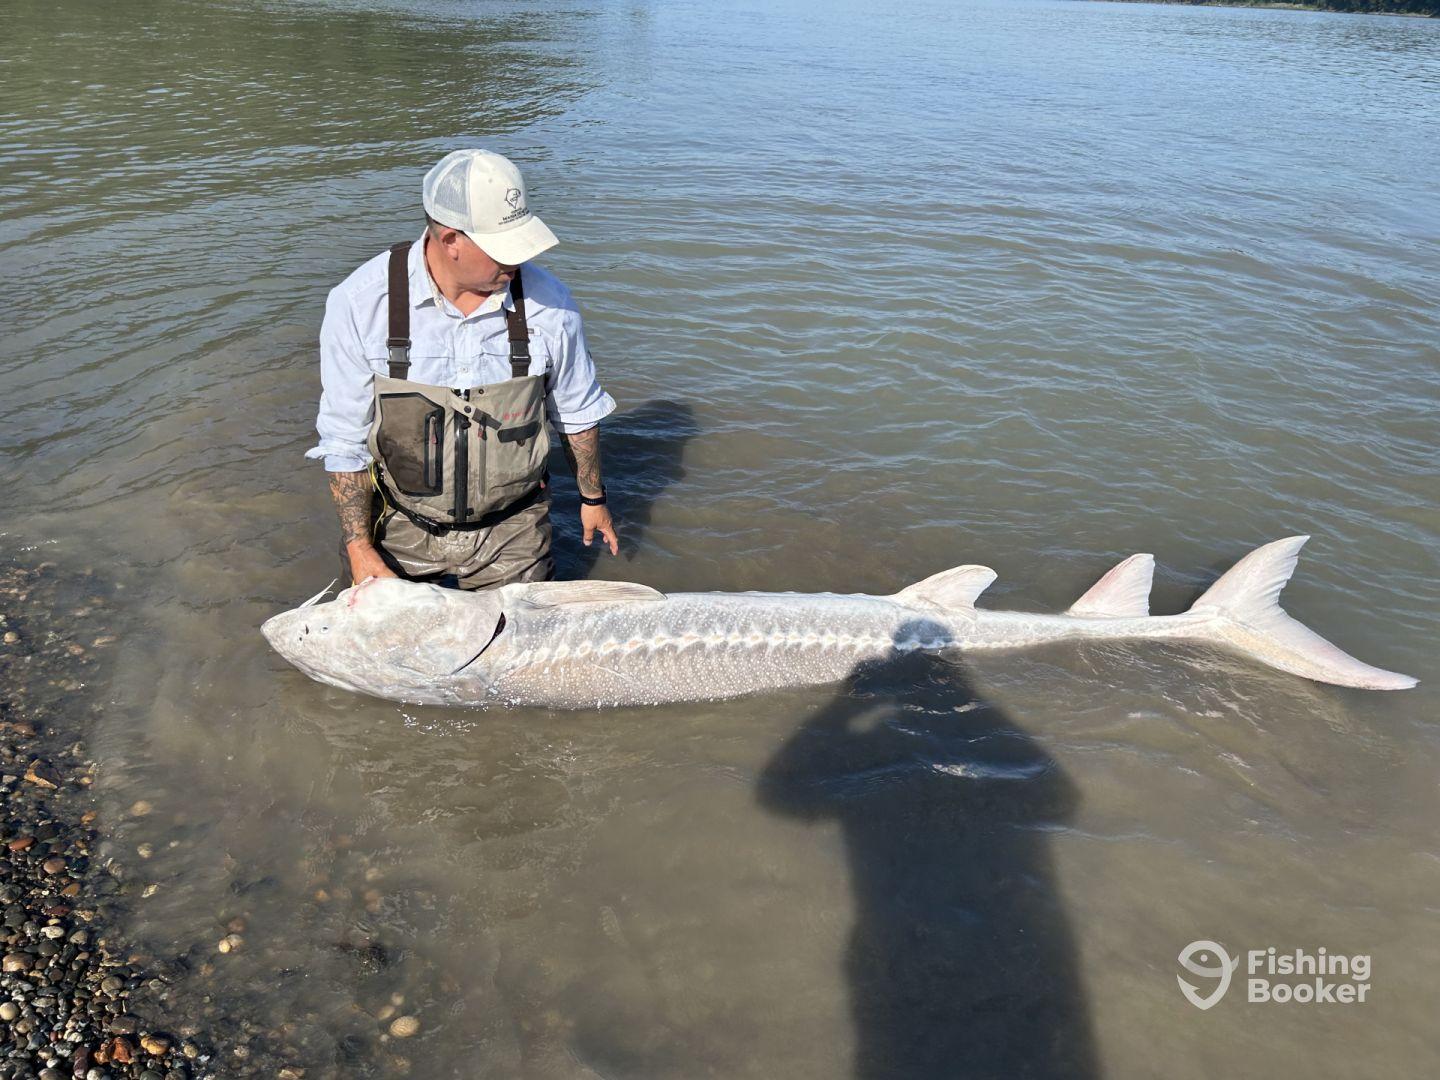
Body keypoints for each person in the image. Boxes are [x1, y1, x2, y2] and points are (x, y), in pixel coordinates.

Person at [308, 148, 620, 590]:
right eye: (503, 250)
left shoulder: (551, 306)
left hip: (513, 529)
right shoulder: (361, 304)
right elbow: (345, 440)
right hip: (400, 525)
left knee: (521, 653)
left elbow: (577, 414)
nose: (516, 264)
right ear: (450, 239)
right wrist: (359, 545)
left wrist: (593, 498)